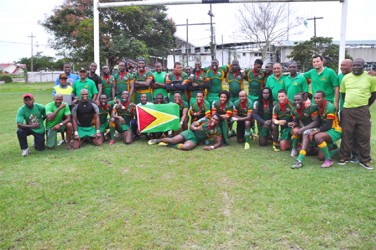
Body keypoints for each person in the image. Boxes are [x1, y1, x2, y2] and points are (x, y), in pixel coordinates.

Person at [338, 58, 376, 170]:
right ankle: (344, 157)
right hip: (348, 110)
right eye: (354, 65)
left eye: (358, 65)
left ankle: (365, 160)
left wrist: (364, 105)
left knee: (364, 135)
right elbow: (343, 94)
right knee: (346, 134)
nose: (356, 67)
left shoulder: (370, 77)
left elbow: (374, 94)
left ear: (364, 66)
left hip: (363, 110)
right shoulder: (346, 78)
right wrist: (350, 104)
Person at [147, 114, 223, 151]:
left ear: (218, 122)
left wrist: (211, 147)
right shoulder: (204, 120)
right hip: (189, 133)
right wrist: (196, 128)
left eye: (216, 120)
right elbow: (191, 126)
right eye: (213, 118)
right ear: (211, 118)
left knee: (186, 147)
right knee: (172, 140)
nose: (214, 120)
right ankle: (158, 140)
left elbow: (219, 142)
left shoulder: (217, 130)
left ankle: (169, 145)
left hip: (195, 140)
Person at [309, 91, 342, 168]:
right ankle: (337, 150)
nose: (316, 100)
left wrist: (315, 132)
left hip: (335, 130)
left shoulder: (330, 107)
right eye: (314, 98)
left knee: (318, 136)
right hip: (327, 130)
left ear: (324, 99)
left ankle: (328, 160)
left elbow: (328, 125)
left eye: (318, 98)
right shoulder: (318, 106)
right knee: (321, 157)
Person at [289, 93, 320, 169]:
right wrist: (293, 123)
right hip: (304, 129)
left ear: (304, 100)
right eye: (295, 100)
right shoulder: (293, 109)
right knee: (295, 130)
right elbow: (296, 121)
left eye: (299, 100)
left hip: (316, 128)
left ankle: (300, 158)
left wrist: (303, 128)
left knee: (320, 156)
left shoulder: (310, 107)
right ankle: (294, 148)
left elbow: (316, 122)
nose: (296, 102)